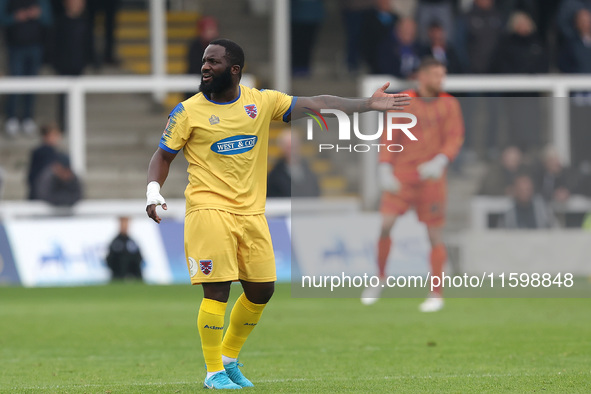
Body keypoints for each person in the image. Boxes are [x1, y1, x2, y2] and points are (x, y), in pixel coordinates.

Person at [145, 38, 410, 389]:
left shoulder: (262, 101)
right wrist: (152, 190)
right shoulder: (187, 111)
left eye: (213, 62)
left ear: (234, 70)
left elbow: (320, 103)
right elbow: (163, 156)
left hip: (252, 213)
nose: (205, 67)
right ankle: (213, 373)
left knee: (262, 291)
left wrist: (368, 104)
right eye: (204, 62)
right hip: (208, 210)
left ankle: (228, 358)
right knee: (217, 291)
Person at [361, 57, 464, 313]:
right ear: (423, 76)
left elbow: (455, 137)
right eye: (436, 74)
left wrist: (440, 161)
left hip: (431, 177)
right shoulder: (404, 100)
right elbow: (390, 135)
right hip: (403, 175)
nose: (441, 79)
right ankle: (380, 277)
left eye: (443, 74)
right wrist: (384, 168)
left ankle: (436, 293)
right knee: (386, 225)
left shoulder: (450, 104)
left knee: (434, 234)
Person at [0, 0, 53, 136]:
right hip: (15, 47)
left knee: (32, 84)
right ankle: (11, 117)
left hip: (35, 46)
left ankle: (28, 118)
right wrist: (15, 17)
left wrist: (38, 14)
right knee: (15, 83)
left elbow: (48, 19)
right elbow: (2, 17)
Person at [267, 128, 320, 198]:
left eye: (295, 146)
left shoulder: (309, 171)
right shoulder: (274, 176)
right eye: (289, 147)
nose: (293, 150)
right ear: (282, 148)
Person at [27, 123, 64, 200]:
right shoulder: (45, 152)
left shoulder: (51, 152)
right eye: (54, 135)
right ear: (46, 136)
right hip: (42, 193)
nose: (57, 138)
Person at [106, 217, 143, 281]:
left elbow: (139, 258)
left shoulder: (132, 242)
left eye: (126, 224)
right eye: (123, 224)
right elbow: (110, 259)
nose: (125, 226)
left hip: (132, 274)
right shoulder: (115, 242)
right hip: (118, 274)